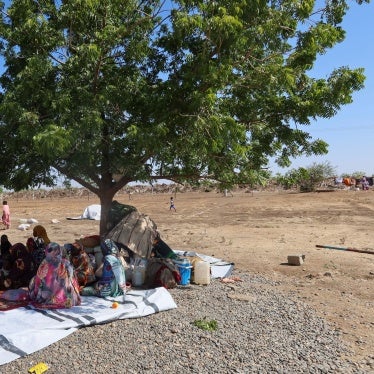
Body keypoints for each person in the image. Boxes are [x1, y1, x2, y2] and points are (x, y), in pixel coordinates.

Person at [29, 242, 81, 309]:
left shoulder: (45, 263)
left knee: (34, 280)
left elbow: (38, 282)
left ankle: (54, 297)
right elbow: (73, 279)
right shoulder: (66, 263)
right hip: (67, 295)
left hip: (49, 295)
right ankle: (64, 297)